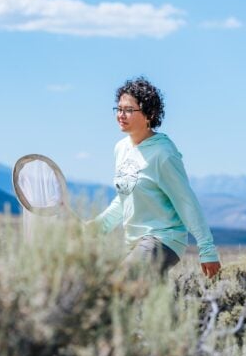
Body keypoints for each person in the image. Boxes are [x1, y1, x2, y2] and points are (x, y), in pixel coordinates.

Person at [93, 77, 221, 278]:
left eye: (128, 110)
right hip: (133, 242)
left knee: (120, 282)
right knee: (134, 303)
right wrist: (98, 227)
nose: (121, 115)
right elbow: (125, 197)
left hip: (163, 239)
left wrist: (207, 249)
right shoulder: (121, 148)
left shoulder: (163, 153)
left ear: (149, 114)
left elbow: (185, 200)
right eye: (118, 109)